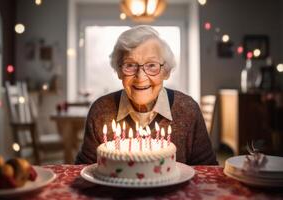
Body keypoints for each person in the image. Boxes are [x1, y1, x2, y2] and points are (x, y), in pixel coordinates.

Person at [75, 25, 218, 165]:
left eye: (151, 65)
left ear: (166, 71)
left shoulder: (188, 109)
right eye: (130, 65)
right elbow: (84, 169)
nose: (140, 76)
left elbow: (207, 169)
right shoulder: (100, 111)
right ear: (119, 71)